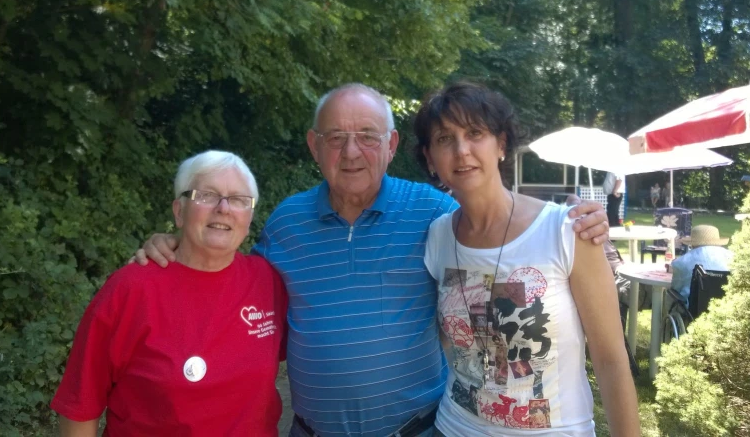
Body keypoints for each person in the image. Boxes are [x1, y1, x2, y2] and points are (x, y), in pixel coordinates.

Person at [134, 83, 612, 436]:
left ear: (392, 145)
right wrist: (185, 245)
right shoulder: (286, 223)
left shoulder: (435, 214)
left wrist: (577, 222)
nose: (351, 152)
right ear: (313, 146)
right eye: (335, 137)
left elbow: (498, 227)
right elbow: (236, 284)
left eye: (366, 135)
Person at [415, 82, 639, 436]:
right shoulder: (438, 237)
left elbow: (611, 359)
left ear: (501, 144)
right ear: (429, 158)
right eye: (445, 139)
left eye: (475, 133)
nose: (462, 151)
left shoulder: (568, 231)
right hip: (453, 427)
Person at [51, 151, 288, 436]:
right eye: (207, 195)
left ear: (249, 219)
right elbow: (80, 407)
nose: (223, 208)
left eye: (238, 199)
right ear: (179, 211)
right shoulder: (131, 289)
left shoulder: (268, 282)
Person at [670, 225, 733, 306]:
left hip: (693, 310)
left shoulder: (682, 262)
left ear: (692, 244)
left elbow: (675, 288)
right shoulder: (733, 257)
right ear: (718, 243)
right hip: (726, 308)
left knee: (670, 295)